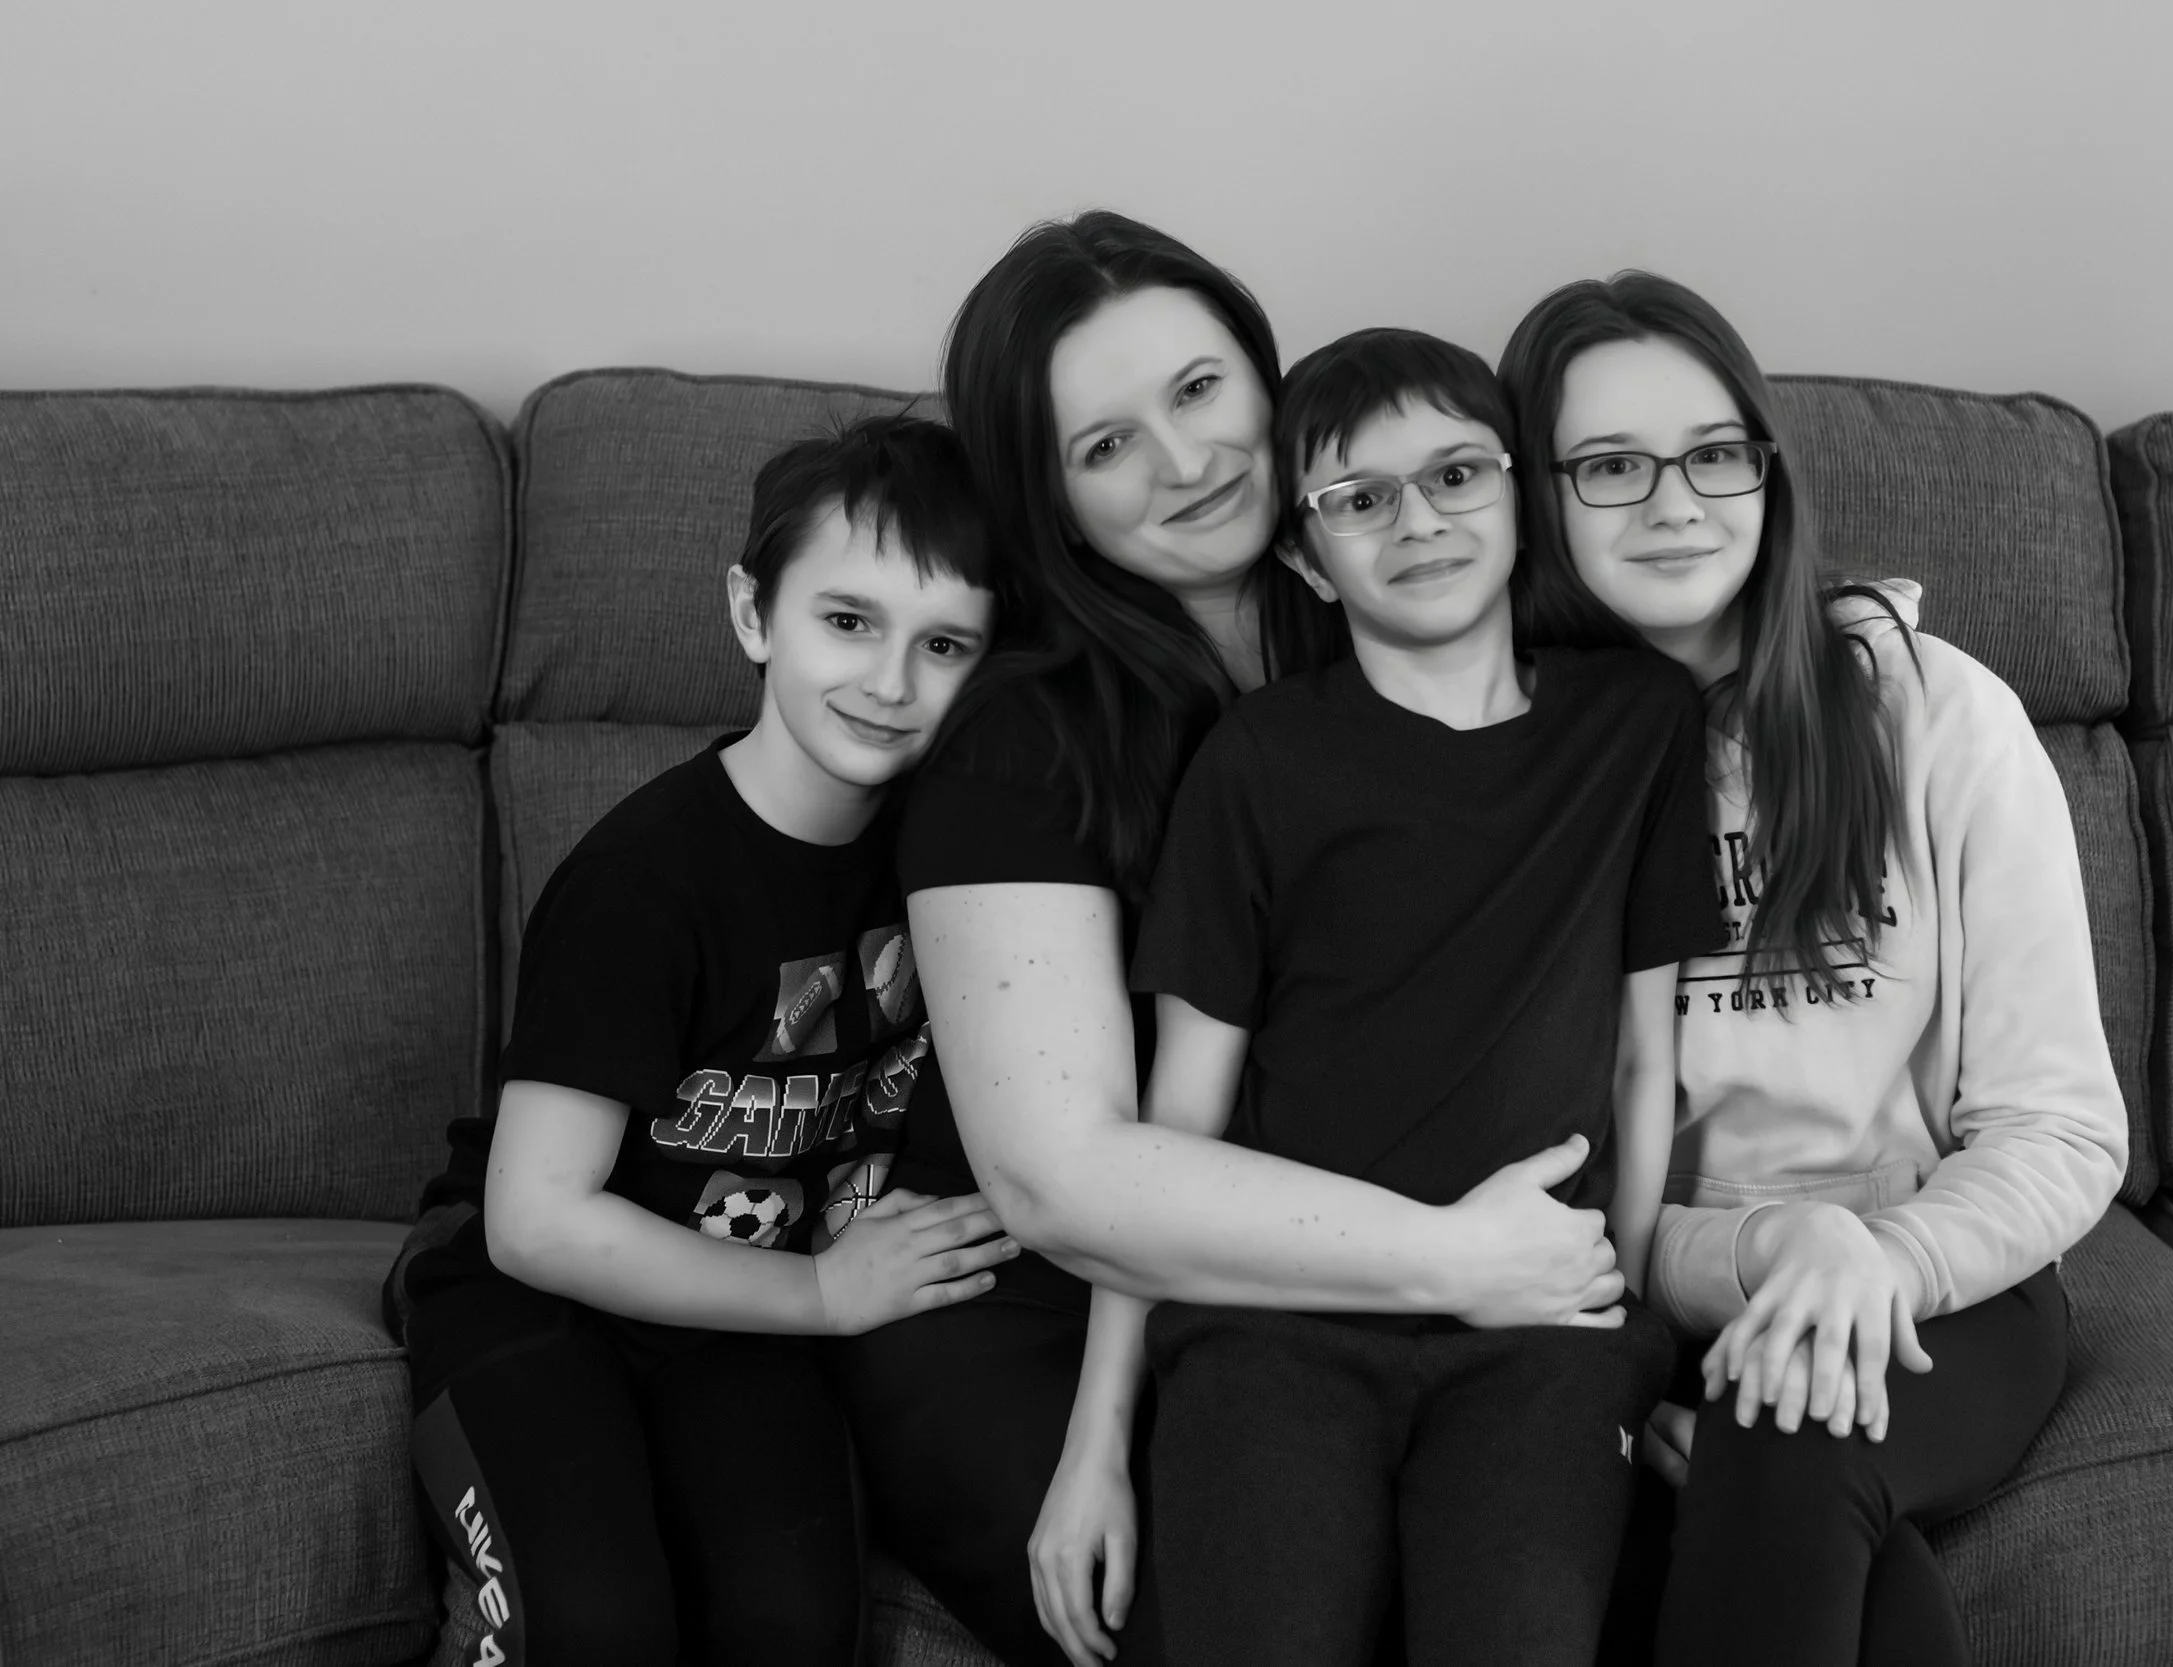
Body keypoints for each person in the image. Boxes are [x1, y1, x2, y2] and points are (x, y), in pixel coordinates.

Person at [832, 212, 1628, 1667]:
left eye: (1199, 390)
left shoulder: (1407, 591)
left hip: (1406, 1285)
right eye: (1106, 444)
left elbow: (1703, 618)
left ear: (1267, 377)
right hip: (1041, 1302)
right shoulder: (1024, 742)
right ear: (1051, 502)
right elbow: (1063, 1178)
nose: (1186, 461)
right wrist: (1452, 1256)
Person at [1037, 326, 1719, 1665]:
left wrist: (1630, 1331)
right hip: (1272, 1327)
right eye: (1360, 498)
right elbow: (1170, 1134)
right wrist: (1094, 1442)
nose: (1419, 522)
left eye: (1456, 475)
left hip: (1540, 1331)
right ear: (1305, 554)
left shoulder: (1638, 723)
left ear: (1519, 495)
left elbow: (1647, 1060)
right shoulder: (1257, 760)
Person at [1499, 273, 2129, 1667]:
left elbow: (2060, 1125)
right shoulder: (1514, 768)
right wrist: (1763, 1258)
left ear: (1769, 472)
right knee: (1783, 1475)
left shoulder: (1941, 711)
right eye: (1611, 465)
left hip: (1945, 1277)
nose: (1676, 502)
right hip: (1653, 1280)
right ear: (1539, 499)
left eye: (1714, 452)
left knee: (1787, 1425)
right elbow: (1549, 1168)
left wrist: (1867, 1258)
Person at [383, 417, 1015, 1667]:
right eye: (848, 620)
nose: (891, 680)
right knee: (595, 1622)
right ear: (752, 614)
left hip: (731, 1311)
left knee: (794, 1624)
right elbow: (534, 1219)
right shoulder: (648, 878)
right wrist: (825, 1292)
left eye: (944, 643)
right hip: (535, 1284)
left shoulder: (963, 863)